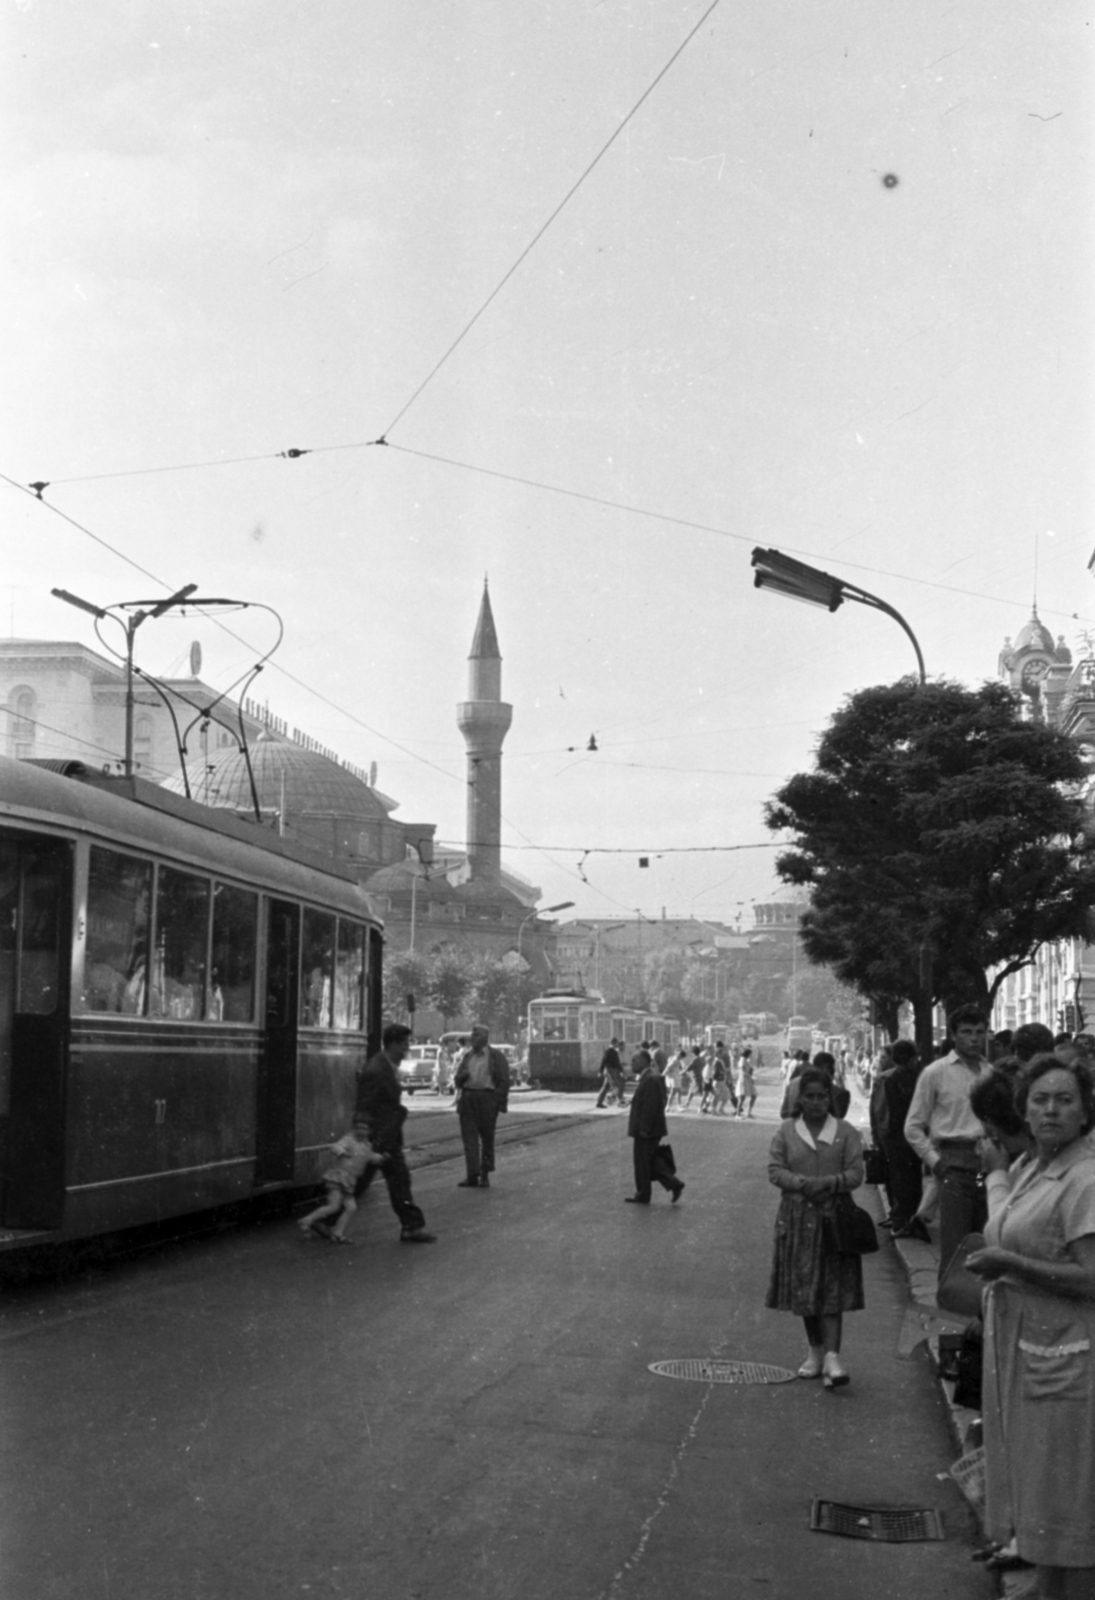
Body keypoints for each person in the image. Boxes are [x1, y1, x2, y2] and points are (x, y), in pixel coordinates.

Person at [966, 1054, 1095, 1596]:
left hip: (1068, 1362)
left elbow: (1092, 1277)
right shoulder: (1030, 1168)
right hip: (1026, 1352)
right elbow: (1005, 1229)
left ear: (1086, 1112)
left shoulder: (1085, 1179)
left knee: (1069, 1508)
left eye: (1065, 1100)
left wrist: (1014, 1266)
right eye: (1040, 1100)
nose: (1051, 1110)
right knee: (1041, 1502)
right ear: (1024, 1110)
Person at [765, 1066, 865, 1389]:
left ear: (830, 1098)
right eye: (810, 1096)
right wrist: (800, 1183)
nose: (817, 1102)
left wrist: (830, 1183)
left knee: (832, 1288)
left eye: (823, 1096)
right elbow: (775, 1169)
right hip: (797, 1217)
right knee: (805, 1287)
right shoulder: (786, 1131)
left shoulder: (846, 1132)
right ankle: (815, 1351)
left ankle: (834, 1357)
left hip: (834, 1218)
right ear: (800, 1099)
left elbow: (855, 1173)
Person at [904, 1004, 992, 1280]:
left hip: (989, 1165)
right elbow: (913, 1127)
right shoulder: (936, 1073)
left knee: (986, 1244)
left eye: (980, 1032)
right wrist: (936, 1162)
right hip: (953, 1163)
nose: (974, 1038)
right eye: (967, 1032)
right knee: (955, 1246)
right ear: (953, 1035)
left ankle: (979, 1315)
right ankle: (950, 1313)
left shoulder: (991, 1074)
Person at [354, 1023, 436, 1243]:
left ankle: (411, 1225)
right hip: (380, 1136)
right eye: (405, 1044)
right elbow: (365, 1103)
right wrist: (364, 1135)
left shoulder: (385, 1065)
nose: (407, 1049)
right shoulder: (377, 1069)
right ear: (393, 1044)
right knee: (389, 1179)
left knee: (372, 1180)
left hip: (384, 1135)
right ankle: (411, 1226)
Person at [871, 1040, 927, 1239]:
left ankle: (900, 1221)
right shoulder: (921, 1077)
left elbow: (884, 1112)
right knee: (914, 1179)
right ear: (913, 1058)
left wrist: (881, 1137)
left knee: (899, 1180)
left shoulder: (890, 1079)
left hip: (895, 1137)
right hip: (917, 1136)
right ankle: (911, 1219)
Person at [298, 1119, 386, 1243]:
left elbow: (370, 1156)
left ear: (369, 1132)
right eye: (358, 1128)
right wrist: (342, 1151)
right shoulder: (348, 1139)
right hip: (337, 1178)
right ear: (353, 1129)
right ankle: (307, 1220)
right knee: (334, 1205)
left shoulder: (367, 1146)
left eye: (364, 1129)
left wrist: (380, 1158)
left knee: (351, 1207)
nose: (361, 1131)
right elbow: (335, 1146)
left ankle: (337, 1232)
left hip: (349, 1182)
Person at [453, 1023, 511, 1188]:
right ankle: (472, 1175)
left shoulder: (495, 1056)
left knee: (486, 1138)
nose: (472, 1039)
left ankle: (484, 1175)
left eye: (475, 1036)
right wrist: (461, 1077)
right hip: (468, 1099)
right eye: (472, 1036)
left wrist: (495, 1100)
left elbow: (504, 1080)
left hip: (487, 1099)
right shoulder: (467, 1056)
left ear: (485, 1038)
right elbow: (457, 1080)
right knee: (469, 1139)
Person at [625, 1053, 684, 1204]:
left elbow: (651, 1107)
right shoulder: (649, 1078)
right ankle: (674, 1184)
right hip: (649, 1129)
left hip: (647, 1130)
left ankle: (644, 1194)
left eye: (634, 1060)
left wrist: (644, 1128)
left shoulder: (650, 1079)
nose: (632, 1063)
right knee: (650, 1161)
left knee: (643, 1163)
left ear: (645, 1062)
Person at [595, 1038, 626, 1109]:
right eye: (616, 1043)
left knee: (606, 1087)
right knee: (616, 1086)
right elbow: (604, 1061)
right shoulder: (609, 1051)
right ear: (613, 1043)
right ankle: (620, 1101)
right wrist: (600, 1071)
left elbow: (617, 1063)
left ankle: (599, 1103)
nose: (617, 1045)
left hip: (612, 1070)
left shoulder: (613, 1051)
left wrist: (620, 1071)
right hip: (610, 1070)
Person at [735, 1046, 757, 1118]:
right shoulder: (742, 1061)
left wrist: (751, 1072)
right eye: (751, 1054)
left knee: (754, 1095)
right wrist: (751, 1076)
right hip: (743, 1080)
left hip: (748, 1080)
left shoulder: (747, 1061)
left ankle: (748, 1113)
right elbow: (742, 1072)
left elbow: (750, 1071)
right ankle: (737, 1114)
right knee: (742, 1097)